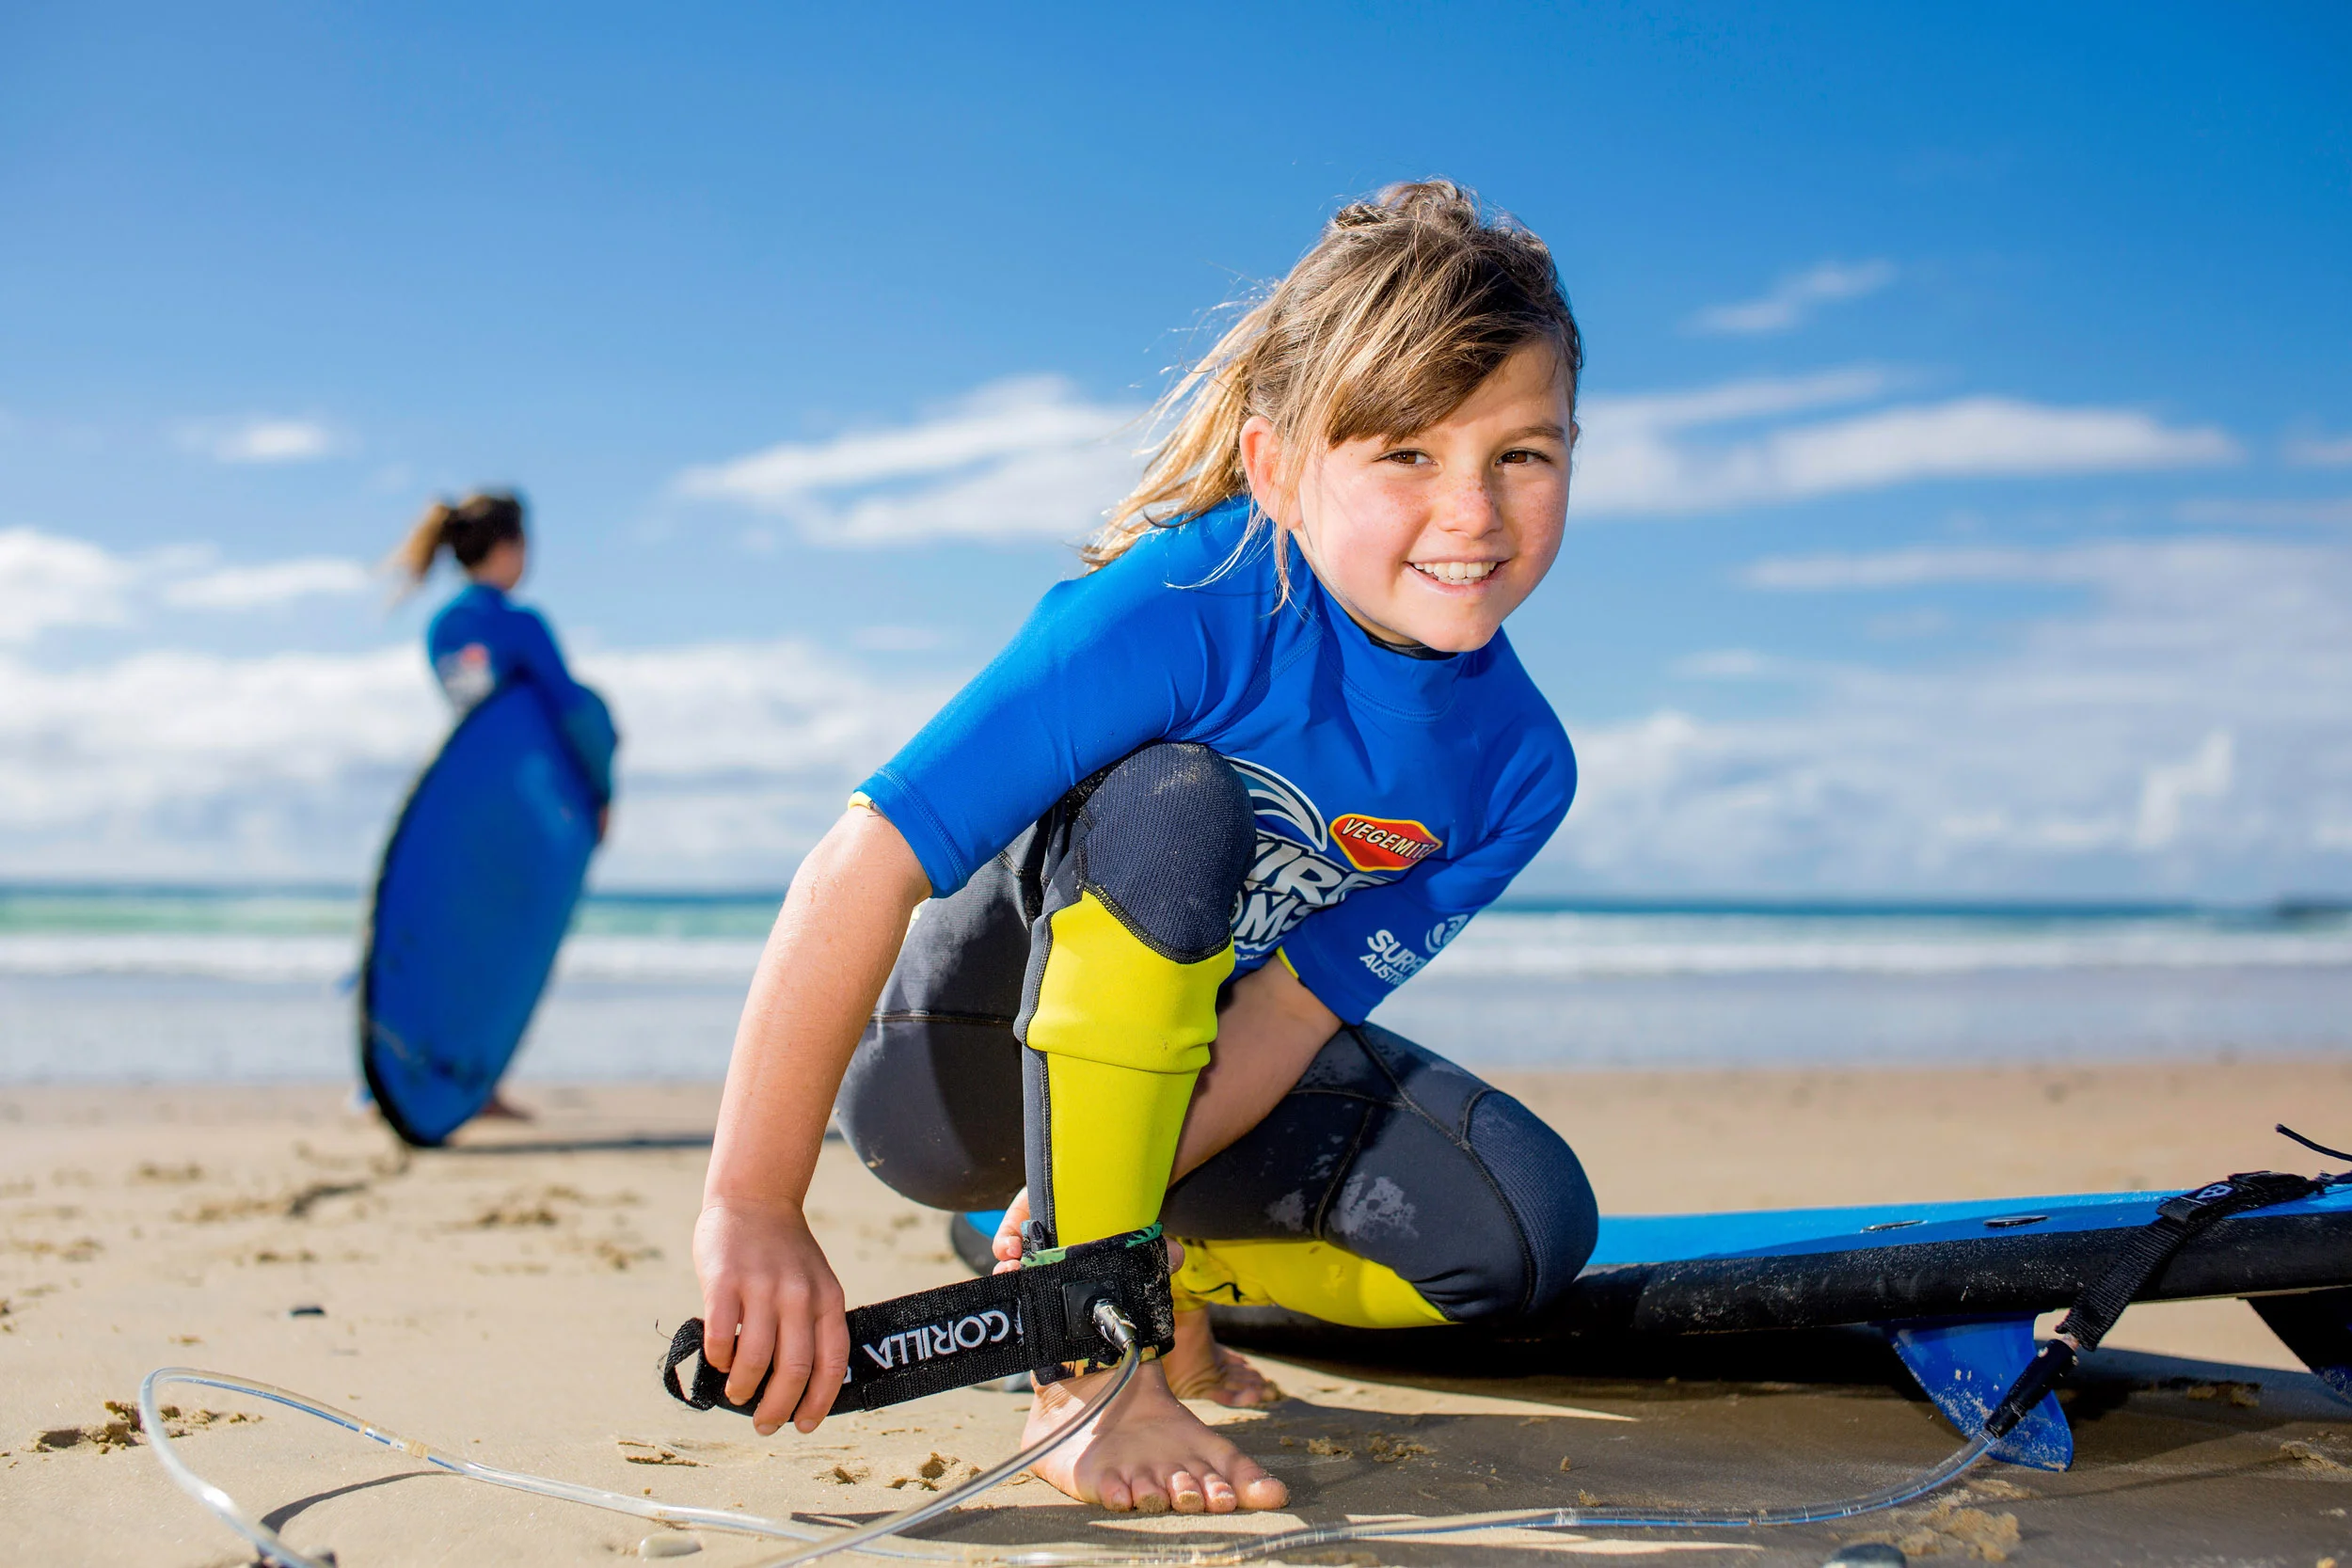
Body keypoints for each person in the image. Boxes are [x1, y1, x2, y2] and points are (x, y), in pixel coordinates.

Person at [694, 181, 1597, 1517]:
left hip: (1181, 1088)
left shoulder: (1516, 764)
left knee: (1521, 1229)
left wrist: (1116, 1219)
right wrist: (755, 1203)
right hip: (958, 1059)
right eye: (1407, 454)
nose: (1472, 510)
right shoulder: (1186, 602)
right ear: (1278, 466)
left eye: (1523, 454)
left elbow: (1287, 1019)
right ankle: (1087, 1367)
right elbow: (863, 861)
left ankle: (1113, 1252)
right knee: (1180, 800)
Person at [389, 489, 618, 1119]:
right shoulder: (520, 624)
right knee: (504, 945)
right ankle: (477, 1082)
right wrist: (600, 789)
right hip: (528, 816)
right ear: (511, 547)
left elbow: (478, 724)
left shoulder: (443, 627)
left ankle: (403, 1072)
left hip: (462, 812)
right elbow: (570, 712)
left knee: (453, 938)